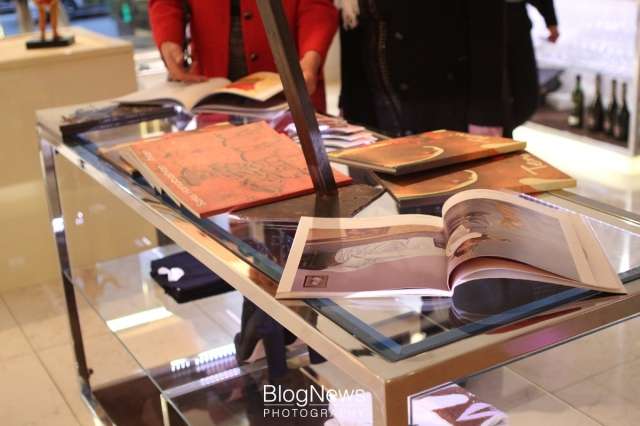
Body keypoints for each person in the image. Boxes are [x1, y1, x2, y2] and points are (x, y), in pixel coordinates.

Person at [338, 1, 508, 137]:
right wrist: (348, 103)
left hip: (445, 100)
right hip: (374, 103)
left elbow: (487, 28)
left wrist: (487, 114)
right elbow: (353, 31)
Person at [148, 0, 338, 112]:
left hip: (288, 84)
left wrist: (311, 56)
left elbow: (316, 7)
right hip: (210, 84)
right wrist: (168, 38)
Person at [506, 0, 559, 134]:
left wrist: (551, 20)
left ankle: (503, 133)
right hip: (481, 29)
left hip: (516, 27)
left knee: (527, 100)